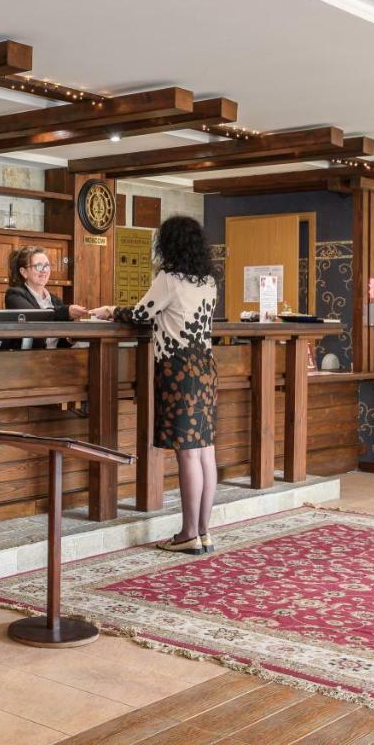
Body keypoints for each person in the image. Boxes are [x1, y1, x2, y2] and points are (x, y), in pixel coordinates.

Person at [90, 216, 219, 555]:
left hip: (179, 370)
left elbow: (141, 314)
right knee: (205, 450)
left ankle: (187, 533)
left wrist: (109, 310)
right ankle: (203, 532)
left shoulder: (169, 278)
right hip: (205, 367)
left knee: (187, 453)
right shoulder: (208, 281)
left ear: (169, 244)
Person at [4, 245, 88, 349]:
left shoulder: (55, 300)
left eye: (47, 266)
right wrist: (66, 312)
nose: (44, 270)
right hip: (28, 357)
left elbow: (60, 343)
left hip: (55, 356)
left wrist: (70, 339)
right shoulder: (14, 294)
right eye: (38, 266)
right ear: (24, 272)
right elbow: (34, 318)